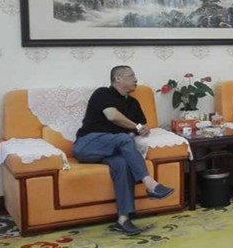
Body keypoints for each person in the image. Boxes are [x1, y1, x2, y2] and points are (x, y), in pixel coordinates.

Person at [73, 65, 174, 235]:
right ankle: (150, 184)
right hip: (87, 145)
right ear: (118, 78)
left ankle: (123, 220)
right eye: (131, 76)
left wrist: (143, 129)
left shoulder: (133, 103)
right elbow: (112, 116)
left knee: (122, 164)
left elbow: (142, 126)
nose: (135, 79)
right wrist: (136, 127)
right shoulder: (103, 93)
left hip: (112, 150)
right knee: (123, 138)